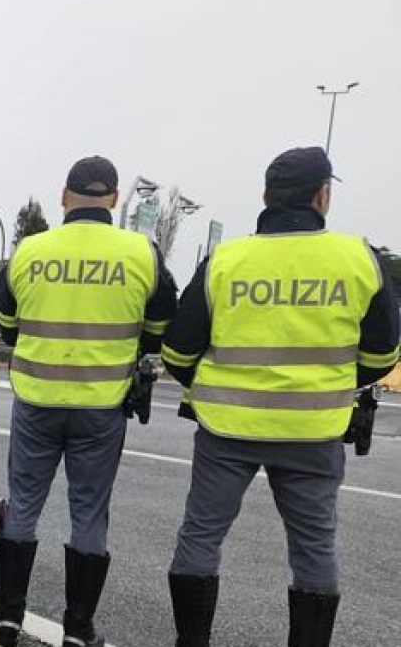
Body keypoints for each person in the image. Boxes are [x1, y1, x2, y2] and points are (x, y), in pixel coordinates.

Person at [161, 147, 400, 647]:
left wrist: (204, 388)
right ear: (323, 195)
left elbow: (178, 350)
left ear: (266, 197)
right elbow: (383, 354)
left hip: (226, 430)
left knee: (201, 537)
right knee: (315, 548)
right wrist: (332, 382)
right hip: (314, 432)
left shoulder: (226, 260)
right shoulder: (359, 258)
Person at [0, 156, 177, 647]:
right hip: (103, 405)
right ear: (115, 199)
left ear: (63, 195)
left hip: (35, 399)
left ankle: (8, 621)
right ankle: (77, 630)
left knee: (23, 506)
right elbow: (161, 327)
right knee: (90, 514)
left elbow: (8, 330)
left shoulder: (28, 251)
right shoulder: (143, 253)